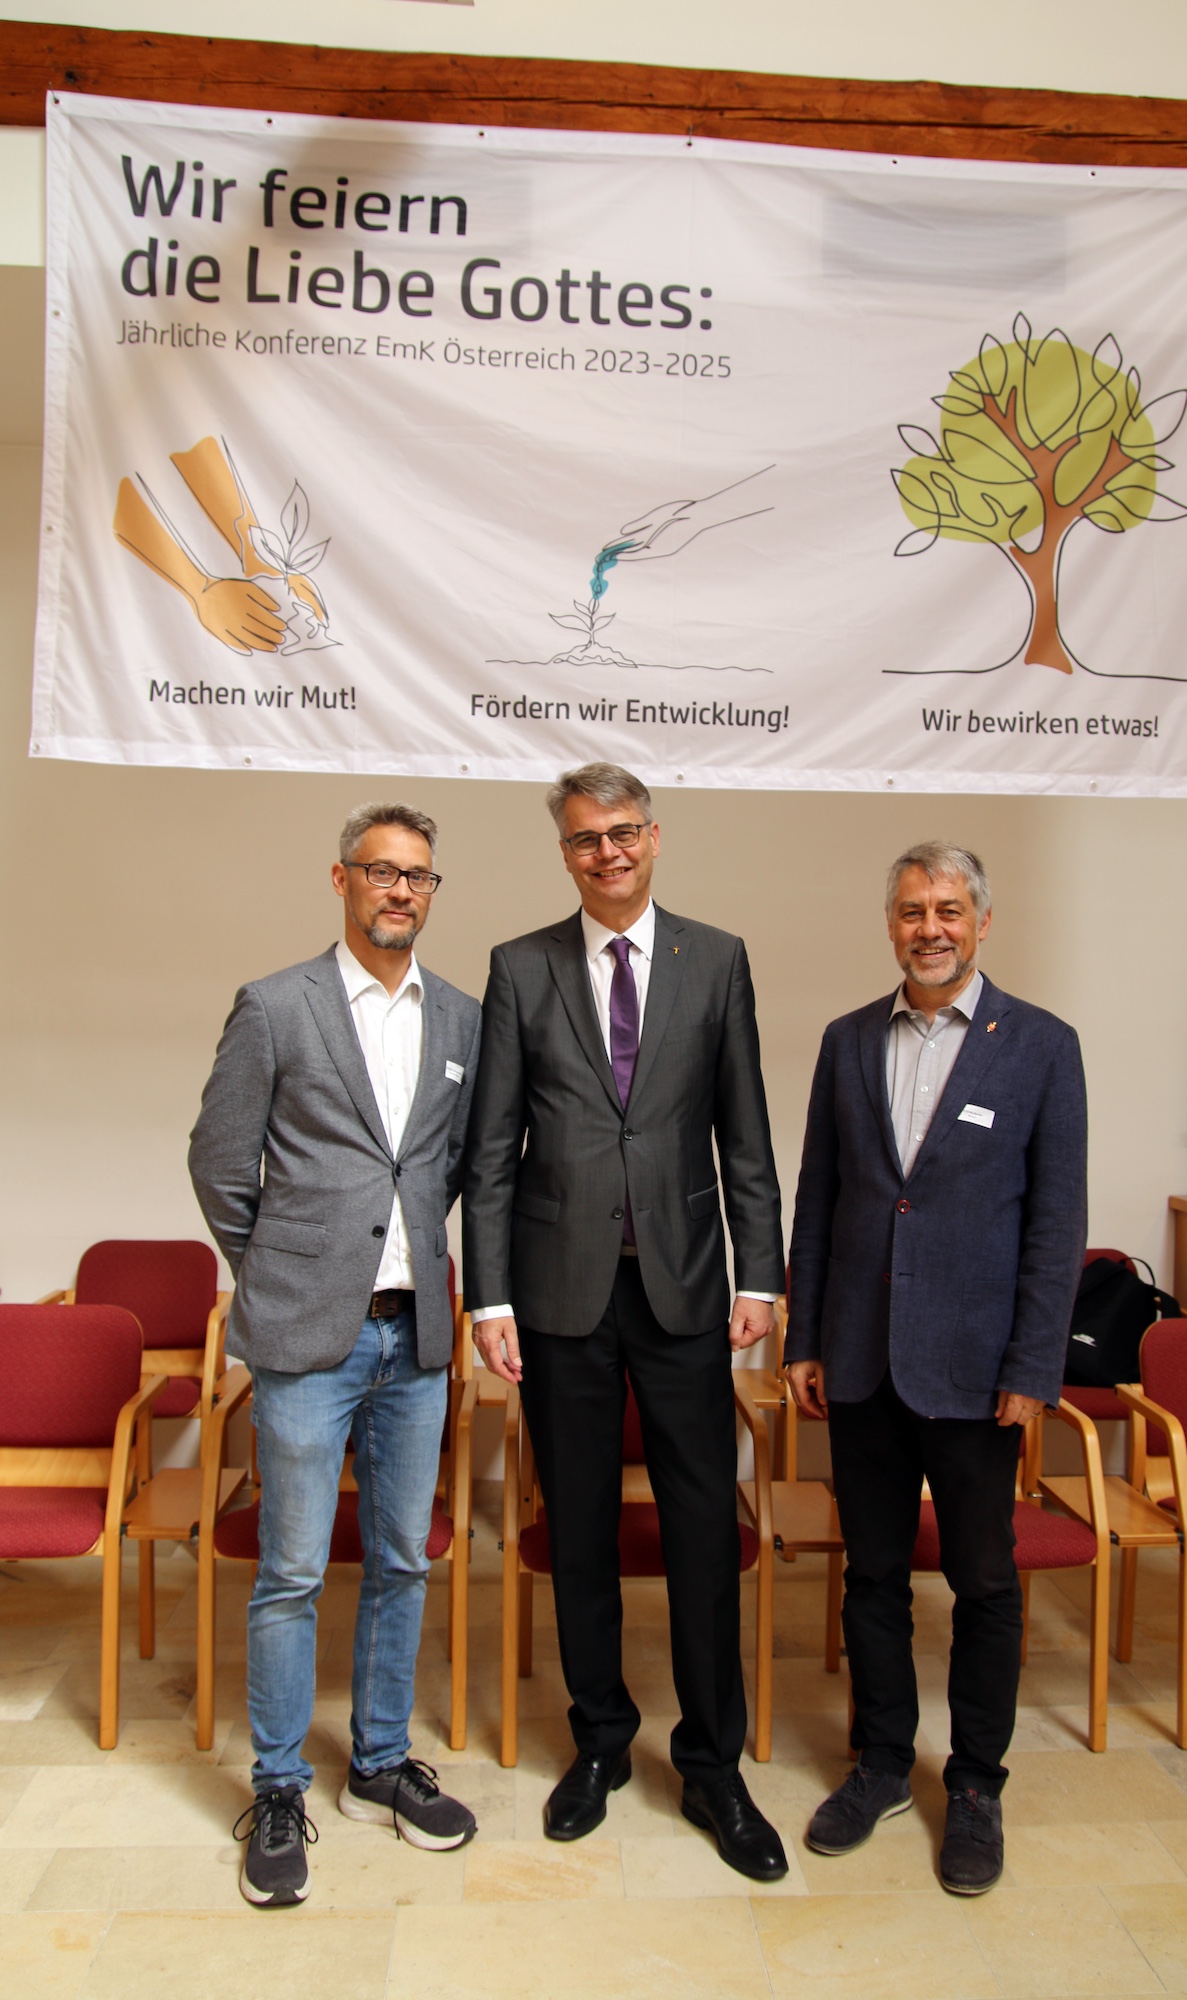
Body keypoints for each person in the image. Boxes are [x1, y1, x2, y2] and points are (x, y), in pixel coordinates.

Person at [463, 762, 788, 1881]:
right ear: (564, 852)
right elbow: (490, 1152)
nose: (606, 851)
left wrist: (760, 1274)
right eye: (584, 838)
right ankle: (600, 1740)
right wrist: (490, 1295)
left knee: (701, 1528)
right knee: (581, 1528)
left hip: (686, 1289)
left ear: (653, 836)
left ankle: (712, 1764)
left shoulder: (717, 958)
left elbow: (745, 1132)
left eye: (622, 832)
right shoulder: (520, 966)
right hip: (558, 1297)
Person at [189, 803, 482, 1907]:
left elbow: (453, 1166)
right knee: (293, 1572)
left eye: (418, 876)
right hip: (307, 1339)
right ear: (341, 879)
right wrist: (278, 1269)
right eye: (381, 871)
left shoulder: (461, 1017)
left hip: (418, 1336)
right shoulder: (276, 1005)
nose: (400, 890)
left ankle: (377, 1764)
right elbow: (219, 1158)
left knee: (403, 1558)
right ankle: (276, 1787)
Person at [785, 841, 1086, 1895]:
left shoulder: (1040, 1045)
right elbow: (818, 1199)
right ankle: (879, 1763)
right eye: (912, 910)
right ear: (890, 923)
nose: (930, 928)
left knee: (983, 1582)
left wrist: (1032, 1365)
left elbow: (1055, 1223)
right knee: (870, 1576)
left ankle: (974, 1785)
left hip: (975, 1370)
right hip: (861, 1361)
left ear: (981, 922)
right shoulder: (846, 1040)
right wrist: (805, 1339)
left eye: (949, 909)